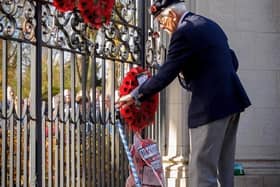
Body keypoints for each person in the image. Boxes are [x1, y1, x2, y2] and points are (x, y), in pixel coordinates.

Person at [117, 0, 251, 186]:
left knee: (202, 172)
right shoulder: (209, 25)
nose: (162, 27)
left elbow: (166, 73)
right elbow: (232, 60)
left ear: (171, 15)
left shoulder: (183, 33)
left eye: (161, 21)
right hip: (232, 101)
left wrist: (135, 95)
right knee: (224, 169)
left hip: (210, 107)